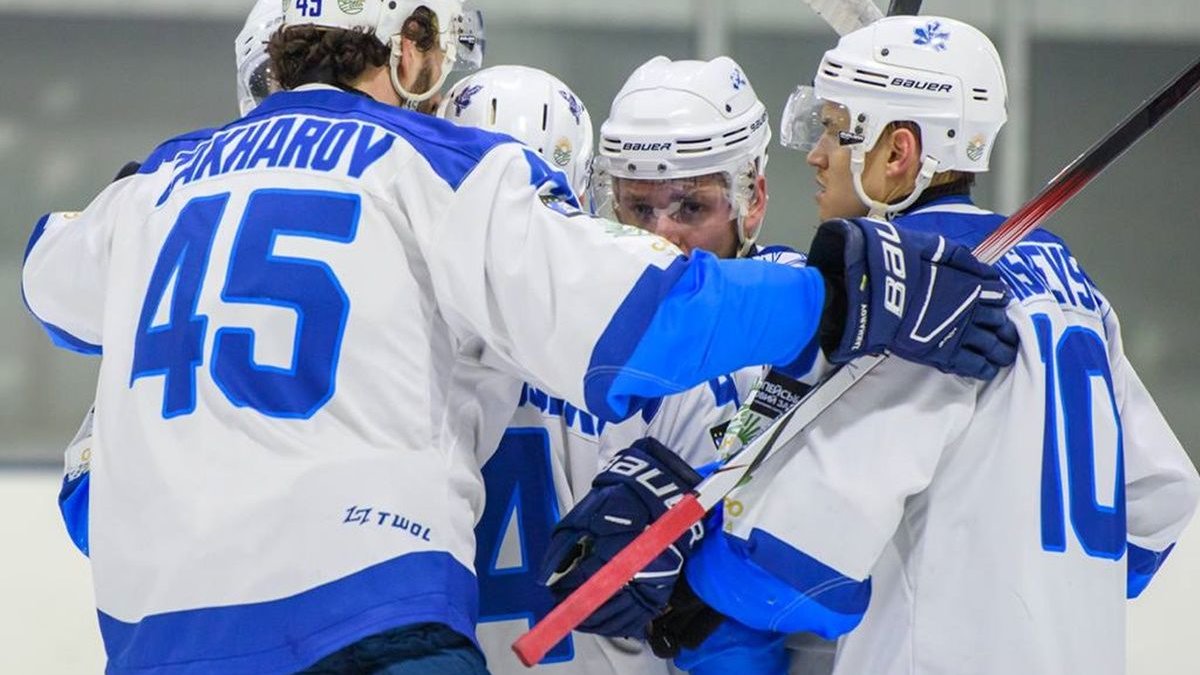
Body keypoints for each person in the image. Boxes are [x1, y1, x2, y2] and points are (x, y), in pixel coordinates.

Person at [20, 0, 1017, 671]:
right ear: (410, 51)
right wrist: (839, 297)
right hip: (362, 616)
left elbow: (46, 281)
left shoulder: (150, 191)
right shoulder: (437, 166)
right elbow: (646, 313)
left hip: (155, 637)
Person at [543, 15, 1200, 675]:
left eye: (835, 128)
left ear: (898, 154)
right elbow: (1156, 512)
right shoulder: (1069, 279)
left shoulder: (910, 297)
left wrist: (692, 585)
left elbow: (802, 563)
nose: (817, 154)